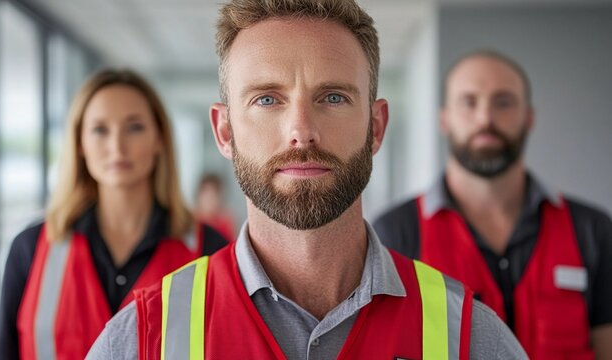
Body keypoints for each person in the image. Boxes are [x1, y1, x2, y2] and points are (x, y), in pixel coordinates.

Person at [87, 2, 526, 359]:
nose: (301, 130)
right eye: (267, 99)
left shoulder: (471, 338)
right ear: (225, 131)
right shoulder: (140, 340)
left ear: (375, 127)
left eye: (332, 97)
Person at [373, 49, 612, 359]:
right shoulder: (395, 233)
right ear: (444, 120)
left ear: (529, 118)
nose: (486, 118)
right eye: (469, 102)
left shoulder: (591, 229)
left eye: (504, 102)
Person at [0, 69, 228, 360]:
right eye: (100, 130)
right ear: (79, 144)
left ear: (159, 139)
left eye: (135, 127)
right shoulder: (30, 248)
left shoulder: (210, 249)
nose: (117, 147)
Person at [195, 173, 237, 241]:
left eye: (212, 196)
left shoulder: (225, 221)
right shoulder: (194, 220)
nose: (208, 201)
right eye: (206, 196)